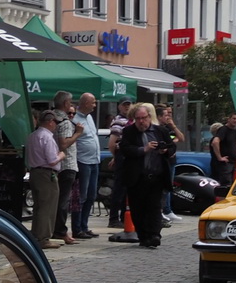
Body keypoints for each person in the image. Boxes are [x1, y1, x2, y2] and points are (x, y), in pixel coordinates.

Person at [117, 103, 175, 249]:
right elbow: (125, 149)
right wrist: (144, 149)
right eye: (138, 119)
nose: (141, 122)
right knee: (138, 209)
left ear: (149, 117)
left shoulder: (160, 130)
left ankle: (155, 235)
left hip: (156, 176)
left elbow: (172, 146)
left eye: (144, 118)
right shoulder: (129, 131)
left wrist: (165, 151)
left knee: (155, 207)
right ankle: (143, 236)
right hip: (137, 177)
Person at [25, 110, 65, 249]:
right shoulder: (47, 137)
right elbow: (52, 160)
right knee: (47, 206)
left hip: (35, 172)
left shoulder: (32, 136)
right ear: (50, 122)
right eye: (55, 122)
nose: (56, 125)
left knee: (38, 206)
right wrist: (61, 155)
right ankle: (43, 238)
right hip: (46, 174)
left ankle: (36, 234)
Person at [71, 94, 102, 240]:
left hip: (94, 161)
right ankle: (77, 228)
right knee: (81, 197)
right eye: (93, 103)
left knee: (91, 196)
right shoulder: (75, 120)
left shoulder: (89, 118)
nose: (95, 105)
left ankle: (84, 225)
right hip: (83, 161)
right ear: (85, 103)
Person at [52, 97, 80, 244]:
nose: (71, 107)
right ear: (65, 104)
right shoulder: (65, 122)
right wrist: (78, 133)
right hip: (66, 164)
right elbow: (64, 144)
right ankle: (61, 231)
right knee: (63, 201)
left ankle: (54, 229)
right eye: (69, 103)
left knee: (56, 200)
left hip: (54, 165)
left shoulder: (51, 118)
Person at [105, 99, 133, 227]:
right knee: (119, 188)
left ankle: (123, 217)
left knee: (126, 188)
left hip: (129, 156)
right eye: (125, 105)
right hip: (122, 155)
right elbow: (112, 143)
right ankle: (114, 218)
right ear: (119, 107)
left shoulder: (131, 120)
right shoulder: (118, 121)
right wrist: (116, 156)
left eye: (129, 104)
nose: (127, 107)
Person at [211, 112, 236, 186]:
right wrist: (220, 157)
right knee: (226, 186)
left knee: (233, 185)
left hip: (233, 162)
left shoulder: (234, 131)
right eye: (234, 118)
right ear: (229, 119)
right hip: (225, 164)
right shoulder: (223, 129)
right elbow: (215, 142)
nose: (235, 120)